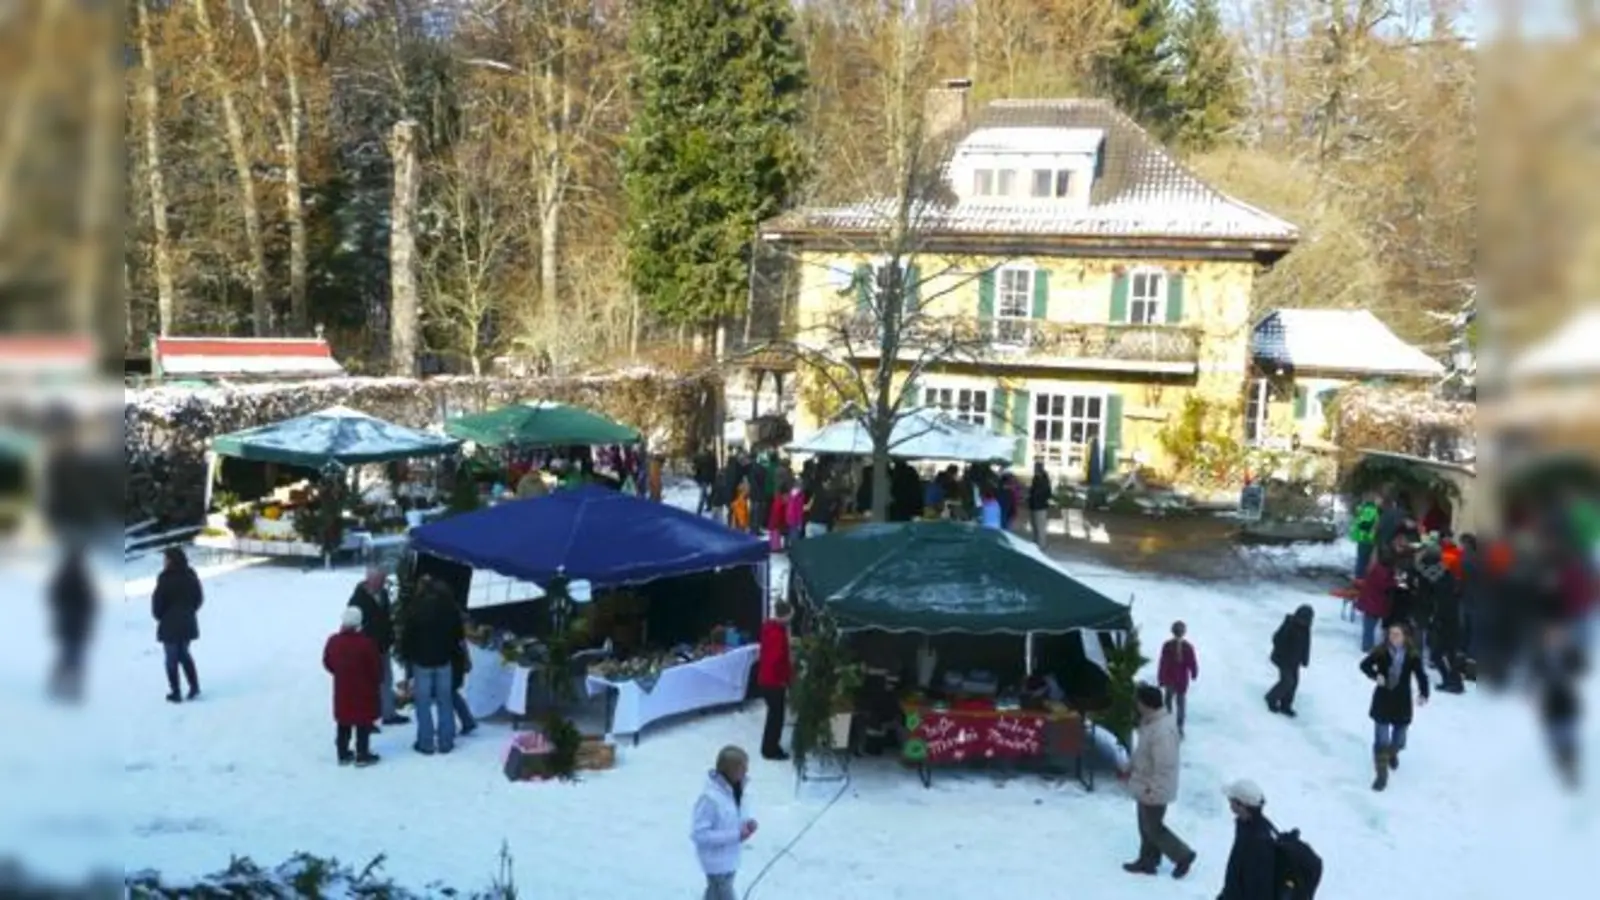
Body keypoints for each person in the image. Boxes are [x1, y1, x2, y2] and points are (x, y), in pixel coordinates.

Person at [1121, 684, 1197, 879]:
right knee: (1146, 826)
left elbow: (1165, 764)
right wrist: (1129, 768)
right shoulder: (1151, 723)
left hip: (1153, 786)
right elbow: (1142, 752)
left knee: (1152, 828)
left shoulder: (1162, 730)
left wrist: (1154, 789)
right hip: (1145, 783)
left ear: (1146, 704)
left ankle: (1182, 855)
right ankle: (1148, 860)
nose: (1136, 705)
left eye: (1138, 701)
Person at [1359, 624, 1430, 791]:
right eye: (1391, 634)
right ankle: (1381, 774)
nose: (1393, 637)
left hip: (1401, 701)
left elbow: (1421, 675)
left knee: (1399, 739)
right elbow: (1364, 665)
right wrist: (1376, 676)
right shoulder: (1381, 651)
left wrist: (1424, 693)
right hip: (1383, 698)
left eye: (1397, 634)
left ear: (1405, 637)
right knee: (1381, 740)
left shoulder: (1412, 655)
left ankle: (1392, 753)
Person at [400, 576, 466, 755]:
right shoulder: (449, 608)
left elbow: (407, 636)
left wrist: (407, 657)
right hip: (444, 660)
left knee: (423, 703)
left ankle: (426, 742)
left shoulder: (415, 608)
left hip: (422, 662)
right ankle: (446, 741)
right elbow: (458, 635)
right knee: (445, 701)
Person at [691, 745, 757, 900]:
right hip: (715, 862)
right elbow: (700, 835)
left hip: (730, 859)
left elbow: (735, 816)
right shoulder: (710, 799)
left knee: (714, 895)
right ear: (731, 770)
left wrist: (747, 823)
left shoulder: (738, 791)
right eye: (742, 768)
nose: (747, 771)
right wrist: (737, 835)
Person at [323, 606, 382, 767]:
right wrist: (376, 681)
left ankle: (342, 753)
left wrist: (339, 672)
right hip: (364, 689)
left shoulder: (333, 641)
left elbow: (327, 662)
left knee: (343, 721)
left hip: (342, 689)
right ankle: (362, 754)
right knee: (363, 721)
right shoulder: (366, 644)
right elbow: (375, 667)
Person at [349, 566, 407, 728]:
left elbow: (387, 617)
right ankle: (366, 719)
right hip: (366, 650)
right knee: (367, 684)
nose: (382, 584)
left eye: (383, 580)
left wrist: (390, 636)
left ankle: (388, 713)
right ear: (370, 580)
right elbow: (353, 624)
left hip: (383, 646)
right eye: (379, 581)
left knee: (386, 680)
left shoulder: (383, 594)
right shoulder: (357, 599)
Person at [1529, 621, 1585, 789]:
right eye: (1551, 637)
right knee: (1554, 739)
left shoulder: (1570, 655)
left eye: (1557, 636)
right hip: (1549, 704)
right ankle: (1562, 768)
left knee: (1569, 737)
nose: (1554, 640)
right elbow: (1533, 678)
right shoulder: (1539, 658)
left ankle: (1572, 770)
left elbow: (1581, 669)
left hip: (1567, 702)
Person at [152, 546, 203, 704]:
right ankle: (194, 686)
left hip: (170, 625)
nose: (164, 562)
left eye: (165, 559)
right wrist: (189, 611)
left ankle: (176, 691)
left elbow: (157, 604)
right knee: (184, 654)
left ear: (171, 561)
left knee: (171, 659)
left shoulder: (164, 578)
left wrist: (161, 616)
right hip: (187, 622)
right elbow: (199, 598)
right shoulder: (191, 575)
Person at [48, 544, 96, 702]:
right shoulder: (80, 578)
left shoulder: (67, 576)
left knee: (69, 655)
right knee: (73, 656)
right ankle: (69, 688)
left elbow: (54, 597)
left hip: (70, 624)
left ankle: (63, 686)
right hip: (75, 624)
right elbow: (90, 603)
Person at [1216, 780, 1276, 900]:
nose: (1229, 802)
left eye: (1231, 800)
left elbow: (1254, 887)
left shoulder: (1255, 841)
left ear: (1241, 806)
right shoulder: (1250, 826)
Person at [755, 602, 794, 760]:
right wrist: (784, 678)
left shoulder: (770, 628)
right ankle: (770, 750)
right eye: (790, 615)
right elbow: (776, 660)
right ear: (785, 615)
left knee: (773, 715)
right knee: (776, 717)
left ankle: (769, 747)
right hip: (773, 682)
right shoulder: (777, 634)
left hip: (767, 679)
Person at [1264, 605, 1313, 717]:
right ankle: (1271, 697)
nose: (1304, 622)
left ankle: (1285, 705)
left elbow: (1306, 645)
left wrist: (1305, 659)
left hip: (1295, 660)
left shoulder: (1306, 629)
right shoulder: (1289, 624)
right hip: (1283, 659)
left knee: (1294, 683)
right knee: (1287, 681)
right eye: (1302, 619)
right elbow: (1276, 638)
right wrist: (1281, 651)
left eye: (1307, 620)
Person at [1157, 621, 1199, 738]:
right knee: (1179, 703)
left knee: (1170, 702)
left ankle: (1171, 725)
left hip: (1172, 678)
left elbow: (1163, 663)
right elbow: (1192, 662)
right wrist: (1194, 673)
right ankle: (1177, 727)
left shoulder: (1168, 645)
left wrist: (1161, 678)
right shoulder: (1187, 647)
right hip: (1179, 679)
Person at [1355, 551, 1395, 653]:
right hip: (1375, 603)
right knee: (1370, 626)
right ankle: (1368, 647)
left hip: (1369, 601)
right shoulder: (1384, 572)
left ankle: (1367, 645)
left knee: (1368, 627)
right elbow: (1385, 585)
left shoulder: (1375, 568)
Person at [1350, 491, 1380, 578]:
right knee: (1364, 560)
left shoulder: (1363, 508)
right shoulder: (1371, 510)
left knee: (1362, 559)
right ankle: (1361, 578)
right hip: (1368, 538)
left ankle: (1360, 577)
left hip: (1362, 537)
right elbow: (1366, 525)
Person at [1027, 461, 1053, 549]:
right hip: (1035, 505)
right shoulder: (1036, 478)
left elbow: (1046, 493)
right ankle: (1036, 543)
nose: (1034, 470)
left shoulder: (1044, 480)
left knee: (1040, 527)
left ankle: (1041, 545)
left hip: (1040, 506)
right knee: (1035, 526)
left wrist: (1035, 496)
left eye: (1035, 468)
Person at [693, 444, 719, 515]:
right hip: (710, 478)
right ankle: (707, 506)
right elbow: (714, 469)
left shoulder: (700, 458)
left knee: (703, 494)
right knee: (705, 493)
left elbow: (697, 469)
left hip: (704, 478)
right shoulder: (712, 458)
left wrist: (697, 478)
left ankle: (700, 510)